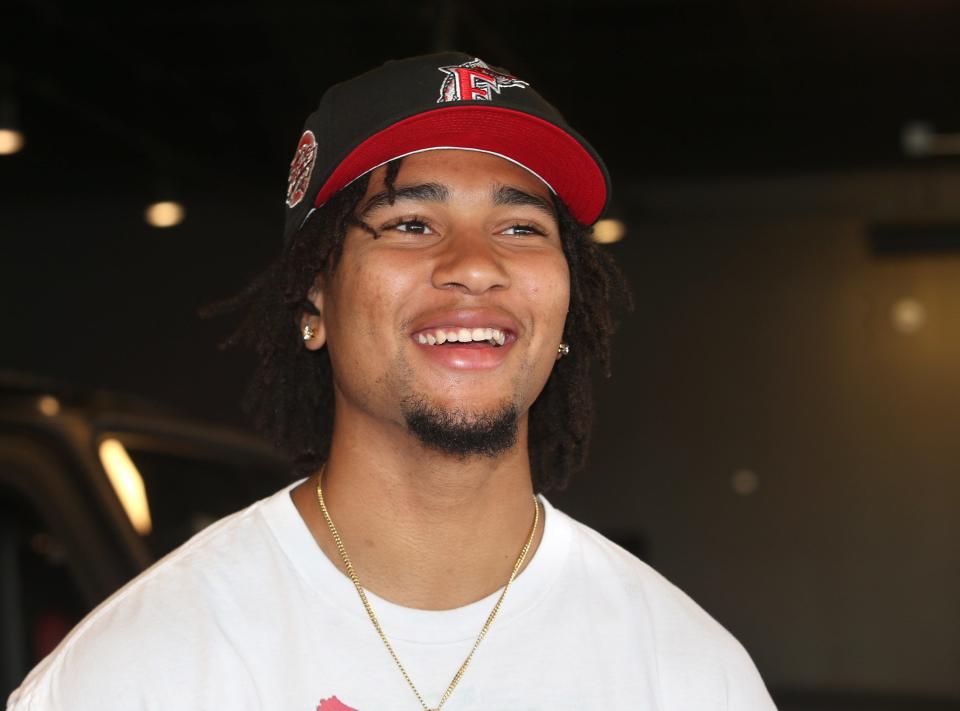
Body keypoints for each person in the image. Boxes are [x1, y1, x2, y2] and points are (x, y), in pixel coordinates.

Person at [7, 53, 776, 710]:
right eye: (410, 222)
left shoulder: (690, 677)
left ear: (567, 308)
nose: (476, 264)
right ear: (314, 297)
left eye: (521, 227)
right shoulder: (139, 673)